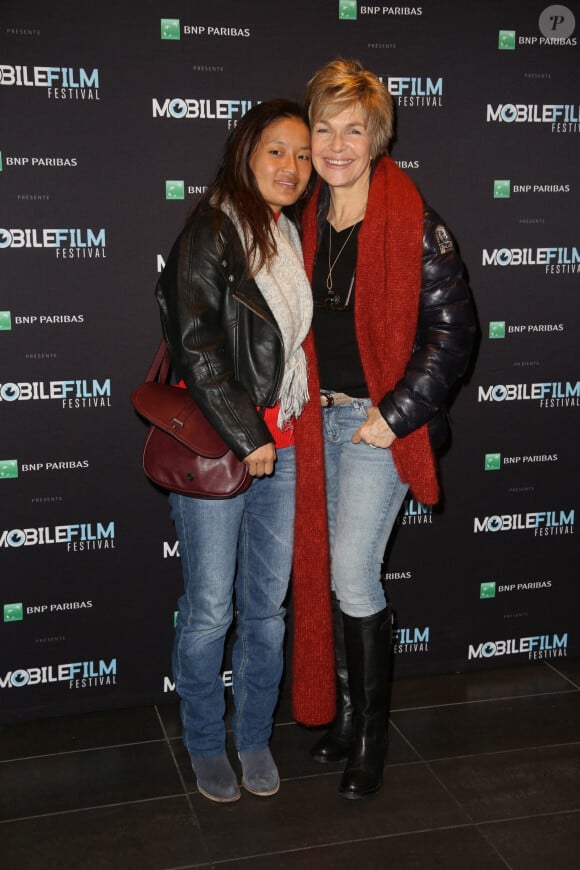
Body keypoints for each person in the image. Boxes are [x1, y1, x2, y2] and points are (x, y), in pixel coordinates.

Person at [292, 59, 476, 800]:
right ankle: (341, 717)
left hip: (376, 429)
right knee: (326, 579)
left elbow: (454, 334)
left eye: (353, 129)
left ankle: (370, 736)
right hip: (315, 421)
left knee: (351, 575)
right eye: (324, 127)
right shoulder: (302, 218)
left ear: (378, 137)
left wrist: (391, 414)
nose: (337, 144)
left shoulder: (415, 222)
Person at [155, 100, 314, 804]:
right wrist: (249, 435)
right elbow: (197, 344)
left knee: (266, 612)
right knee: (211, 610)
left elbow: (290, 345)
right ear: (246, 151)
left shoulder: (287, 236)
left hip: (285, 446)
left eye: (303, 155)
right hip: (226, 447)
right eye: (277, 150)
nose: (292, 167)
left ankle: (252, 734)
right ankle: (201, 740)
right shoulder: (213, 228)